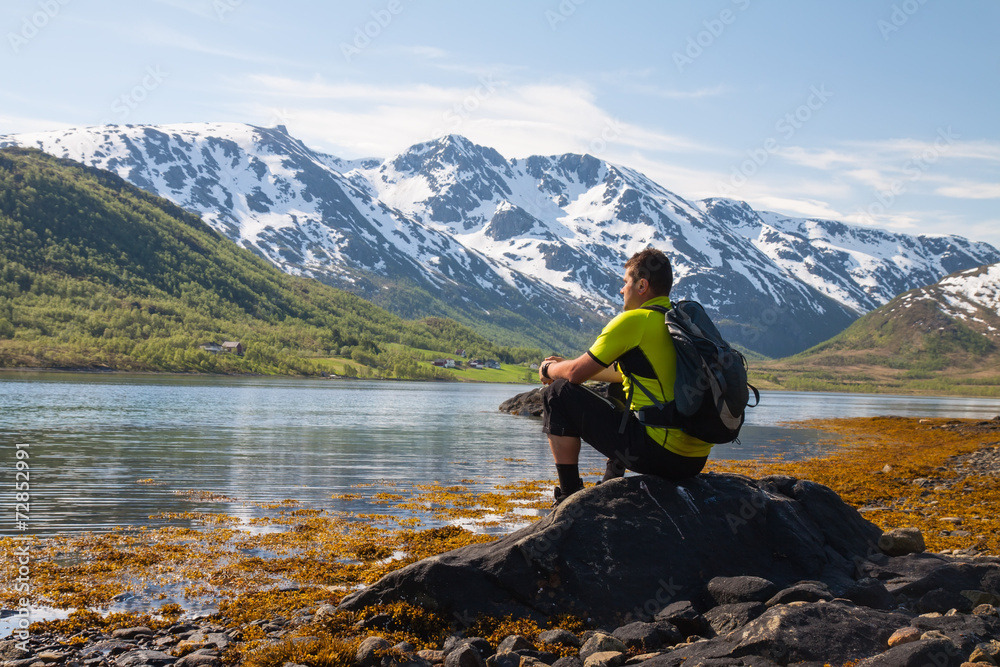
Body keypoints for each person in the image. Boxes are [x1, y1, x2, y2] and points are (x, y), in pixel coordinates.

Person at [537, 247, 711, 503]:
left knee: (557, 393)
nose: (621, 290)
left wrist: (548, 369)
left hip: (659, 454)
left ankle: (569, 496)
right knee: (620, 387)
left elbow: (574, 375)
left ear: (642, 285)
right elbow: (623, 376)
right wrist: (569, 364)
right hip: (693, 460)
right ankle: (611, 479)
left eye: (625, 282)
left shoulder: (633, 321)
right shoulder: (680, 322)